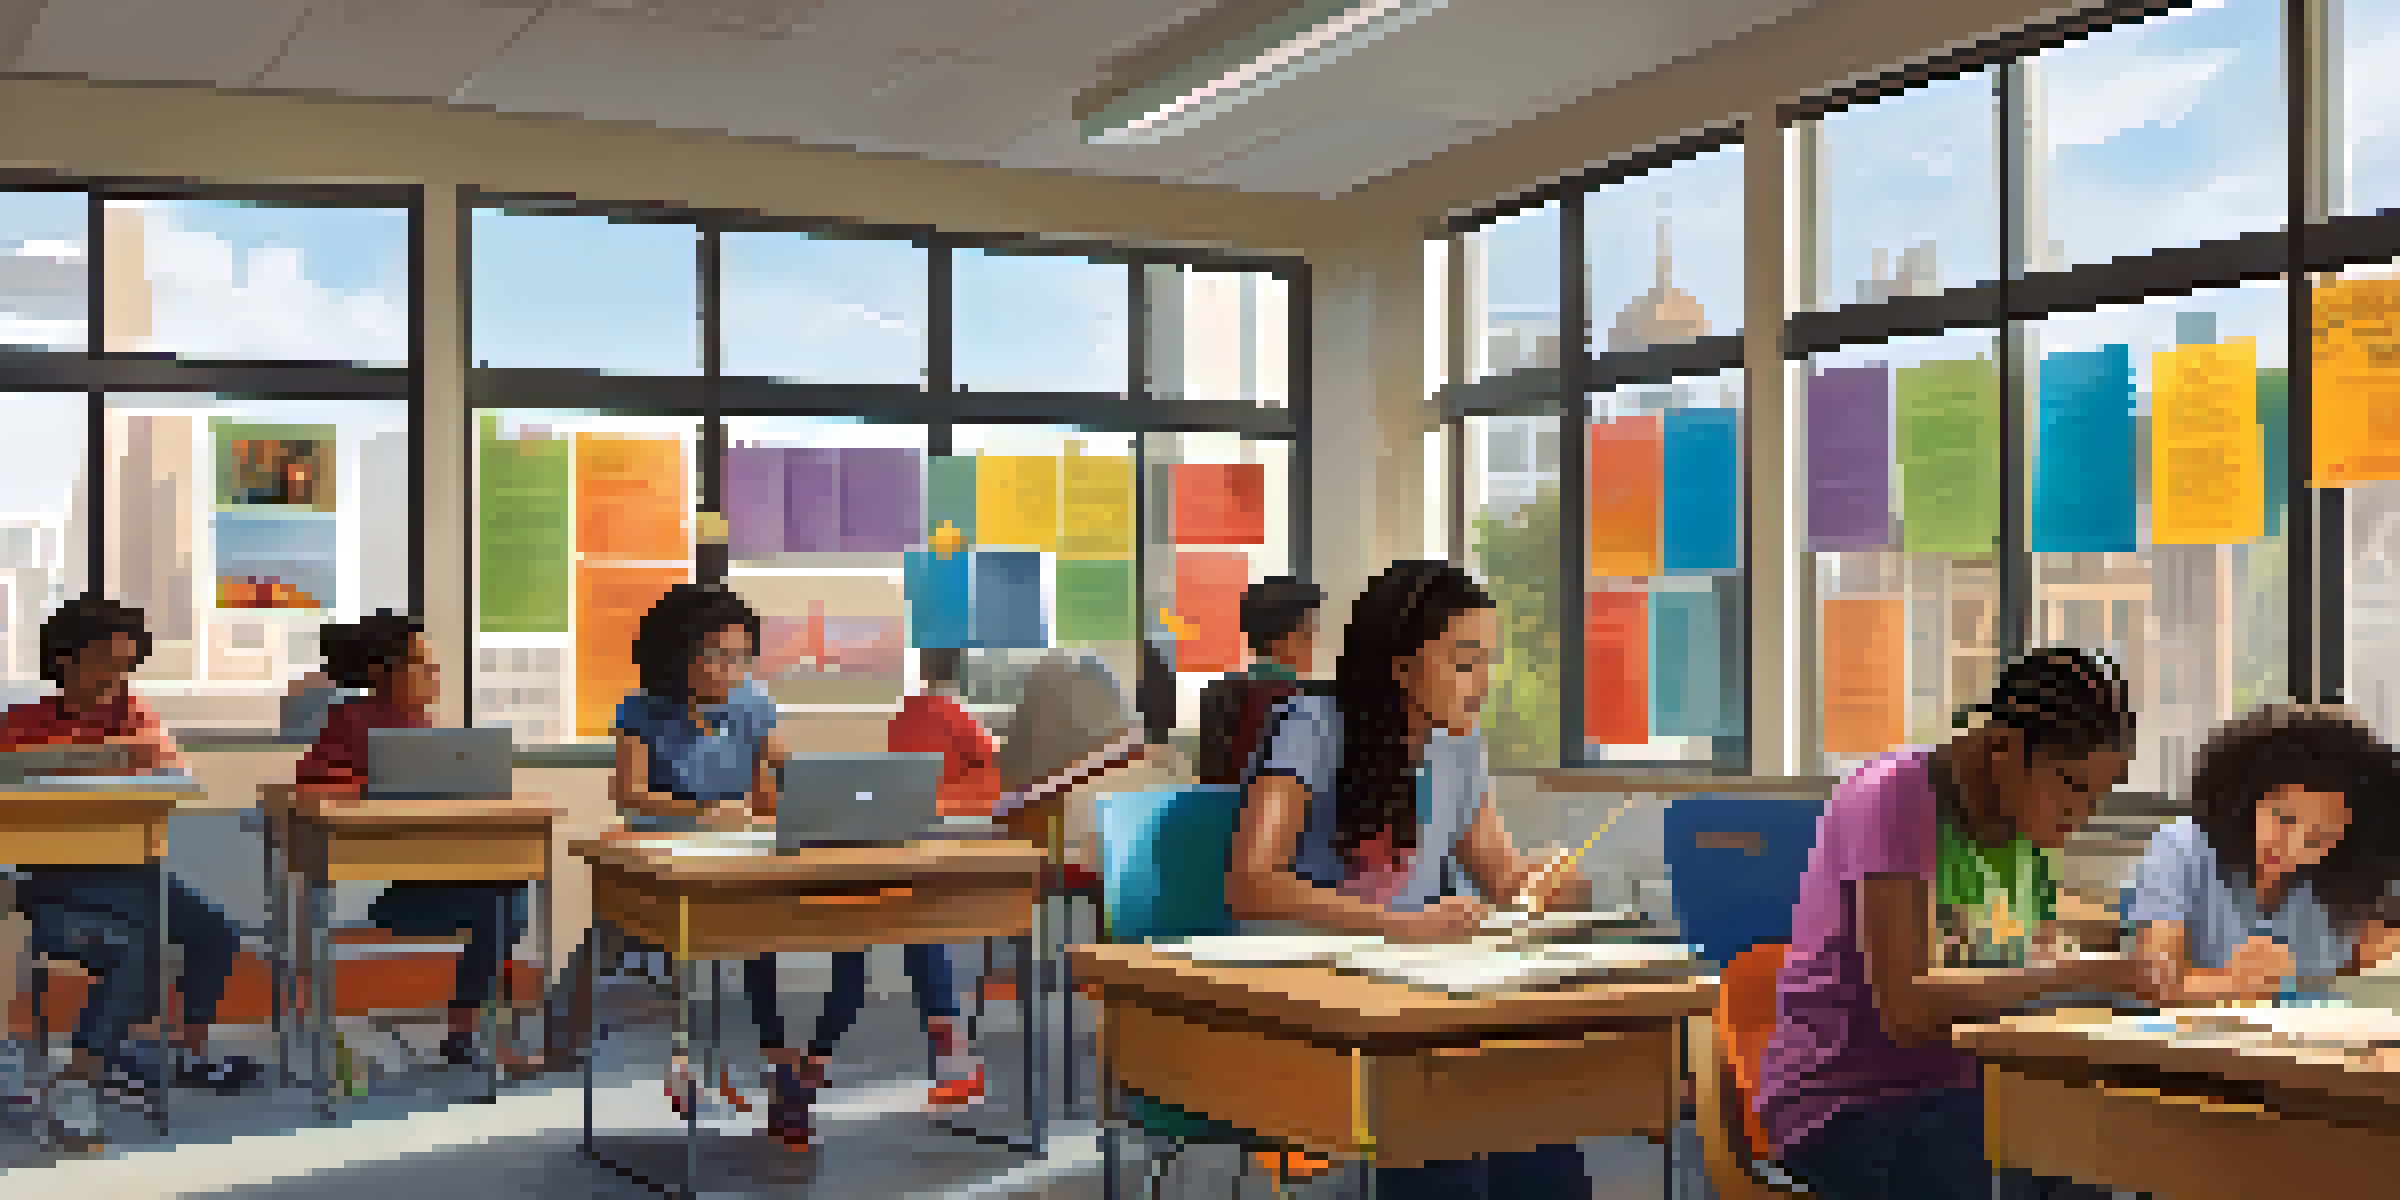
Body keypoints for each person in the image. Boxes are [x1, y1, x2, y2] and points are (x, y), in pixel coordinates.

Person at [1226, 560, 1593, 1197]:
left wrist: (1548, 881)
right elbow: (1251, 884)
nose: (1483, 683)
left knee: (1540, 1132)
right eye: (1463, 661)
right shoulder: (1313, 725)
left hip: (1422, 1002)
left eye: (1489, 662)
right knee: (1447, 1133)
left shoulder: (1461, 744)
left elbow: (1501, 876)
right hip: (1317, 1003)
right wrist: (1399, 926)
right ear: (1400, 665)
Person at [1755, 647, 2159, 1200]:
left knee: (2094, 1138)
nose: (2081, 813)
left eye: (2098, 796)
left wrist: (2140, 941)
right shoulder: (1894, 798)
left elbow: (2035, 938)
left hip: (1963, 1091)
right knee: (2030, 1149)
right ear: (2002, 749)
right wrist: (2086, 974)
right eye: (2071, 784)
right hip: (1848, 1104)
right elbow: (1909, 1011)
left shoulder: (2021, 825)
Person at [0, 594, 260, 1151]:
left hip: (134, 873)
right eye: (102, 662)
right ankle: (83, 1078)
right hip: (56, 885)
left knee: (217, 932)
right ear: (66, 659)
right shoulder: (20, 724)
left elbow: (174, 780)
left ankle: (182, 1052)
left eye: (124, 664)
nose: (114, 677)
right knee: (137, 941)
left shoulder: (136, 715)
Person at [608, 583, 812, 1143]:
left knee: (760, 939)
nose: (732, 669)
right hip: (663, 850)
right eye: (718, 655)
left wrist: (793, 792)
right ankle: (687, 1056)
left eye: (742, 656)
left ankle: (776, 1067)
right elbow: (629, 793)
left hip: (735, 849)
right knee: (686, 944)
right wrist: (701, 812)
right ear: (680, 654)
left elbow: (786, 770)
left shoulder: (752, 702)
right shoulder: (643, 709)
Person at [293, 610, 531, 1071]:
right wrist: (374, 790)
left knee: (509, 898)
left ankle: (463, 1031)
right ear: (384, 672)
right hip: (374, 890)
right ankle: (462, 1032)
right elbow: (311, 788)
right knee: (503, 909)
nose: (434, 675)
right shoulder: (351, 720)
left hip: (427, 880)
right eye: (422, 664)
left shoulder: (426, 728)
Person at [2131, 704, 2400, 1007]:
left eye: (2321, 837)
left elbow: (2353, 965)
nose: (2293, 846)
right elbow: (2156, 986)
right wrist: (2230, 981)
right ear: (2249, 798)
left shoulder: (2334, 886)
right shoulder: (2182, 848)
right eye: (2284, 819)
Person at [1198, 576, 1323, 786]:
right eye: (1307, 633)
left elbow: (1212, 784)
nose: (1312, 645)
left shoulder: (1218, 692)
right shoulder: (1305, 702)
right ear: (1286, 639)